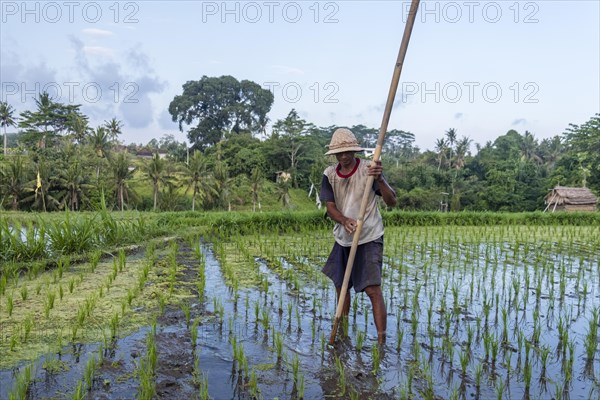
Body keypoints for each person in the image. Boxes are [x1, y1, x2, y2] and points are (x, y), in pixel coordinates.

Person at [320, 127, 397, 344]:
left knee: (373, 289)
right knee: (341, 287)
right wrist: (344, 220)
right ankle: (342, 334)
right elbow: (330, 207)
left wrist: (380, 179)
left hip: (369, 235)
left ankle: (381, 342)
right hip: (343, 237)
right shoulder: (329, 175)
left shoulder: (370, 169)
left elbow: (392, 201)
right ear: (335, 154)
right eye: (340, 153)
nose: (344, 156)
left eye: (348, 152)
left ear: (355, 151)